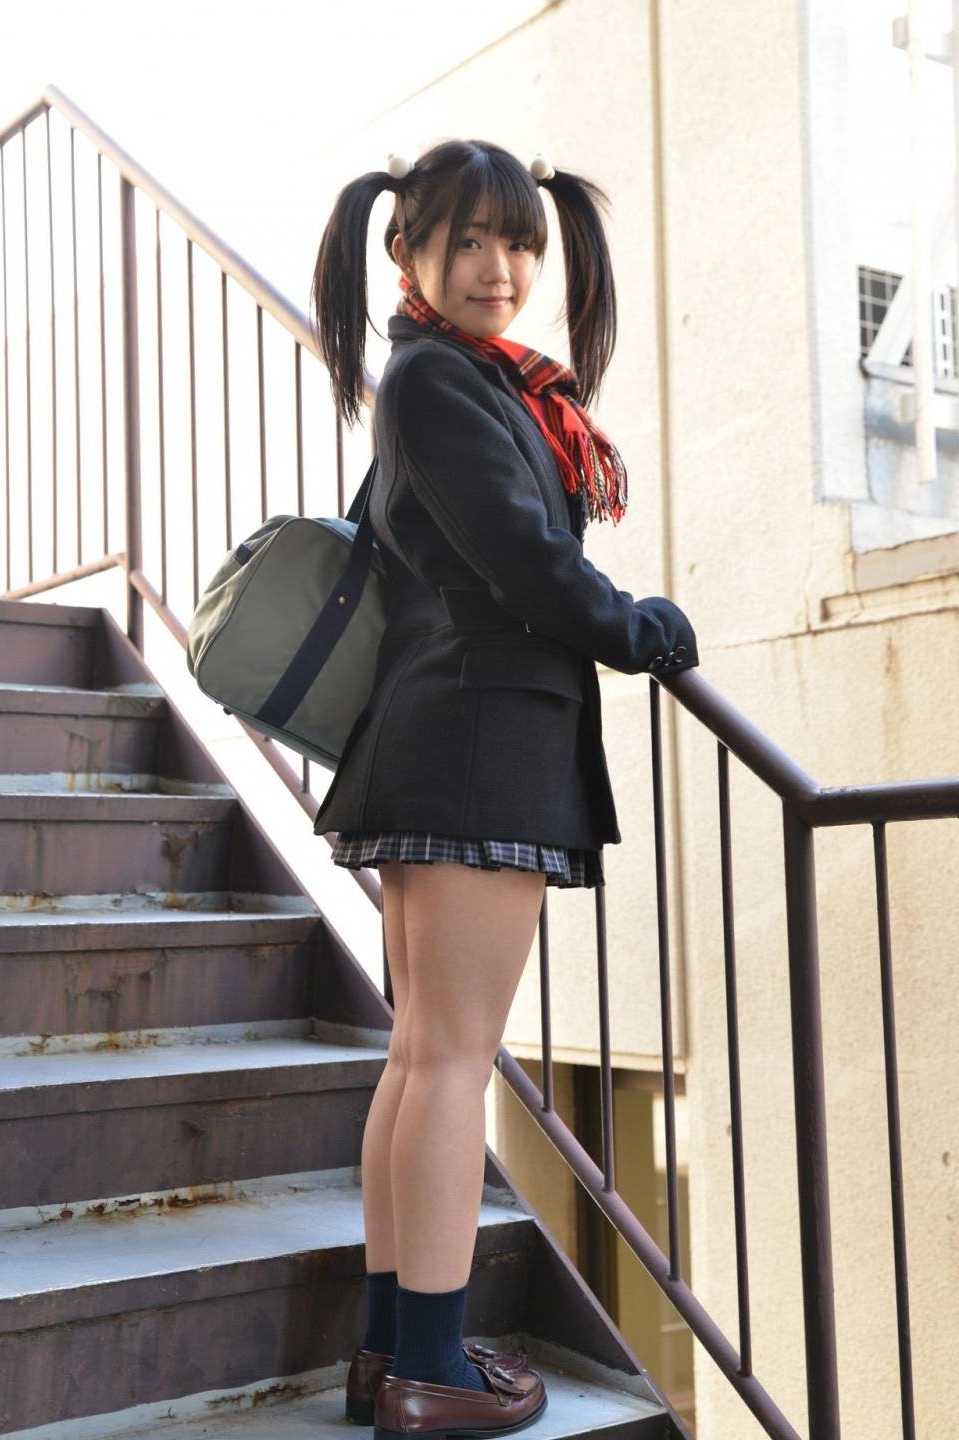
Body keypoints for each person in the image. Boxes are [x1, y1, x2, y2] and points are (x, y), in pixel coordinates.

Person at [308, 138, 699, 1439]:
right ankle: (433, 1368)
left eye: (520, 242)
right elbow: (523, 562)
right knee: (450, 1062)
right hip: (476, 743)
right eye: (468, 240)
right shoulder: (436, 380)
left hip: (453, 735)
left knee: (424, 1056)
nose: (501, 268)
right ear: (407, 250)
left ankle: (392, 1354)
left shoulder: (461, 378)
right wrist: (635, 625)